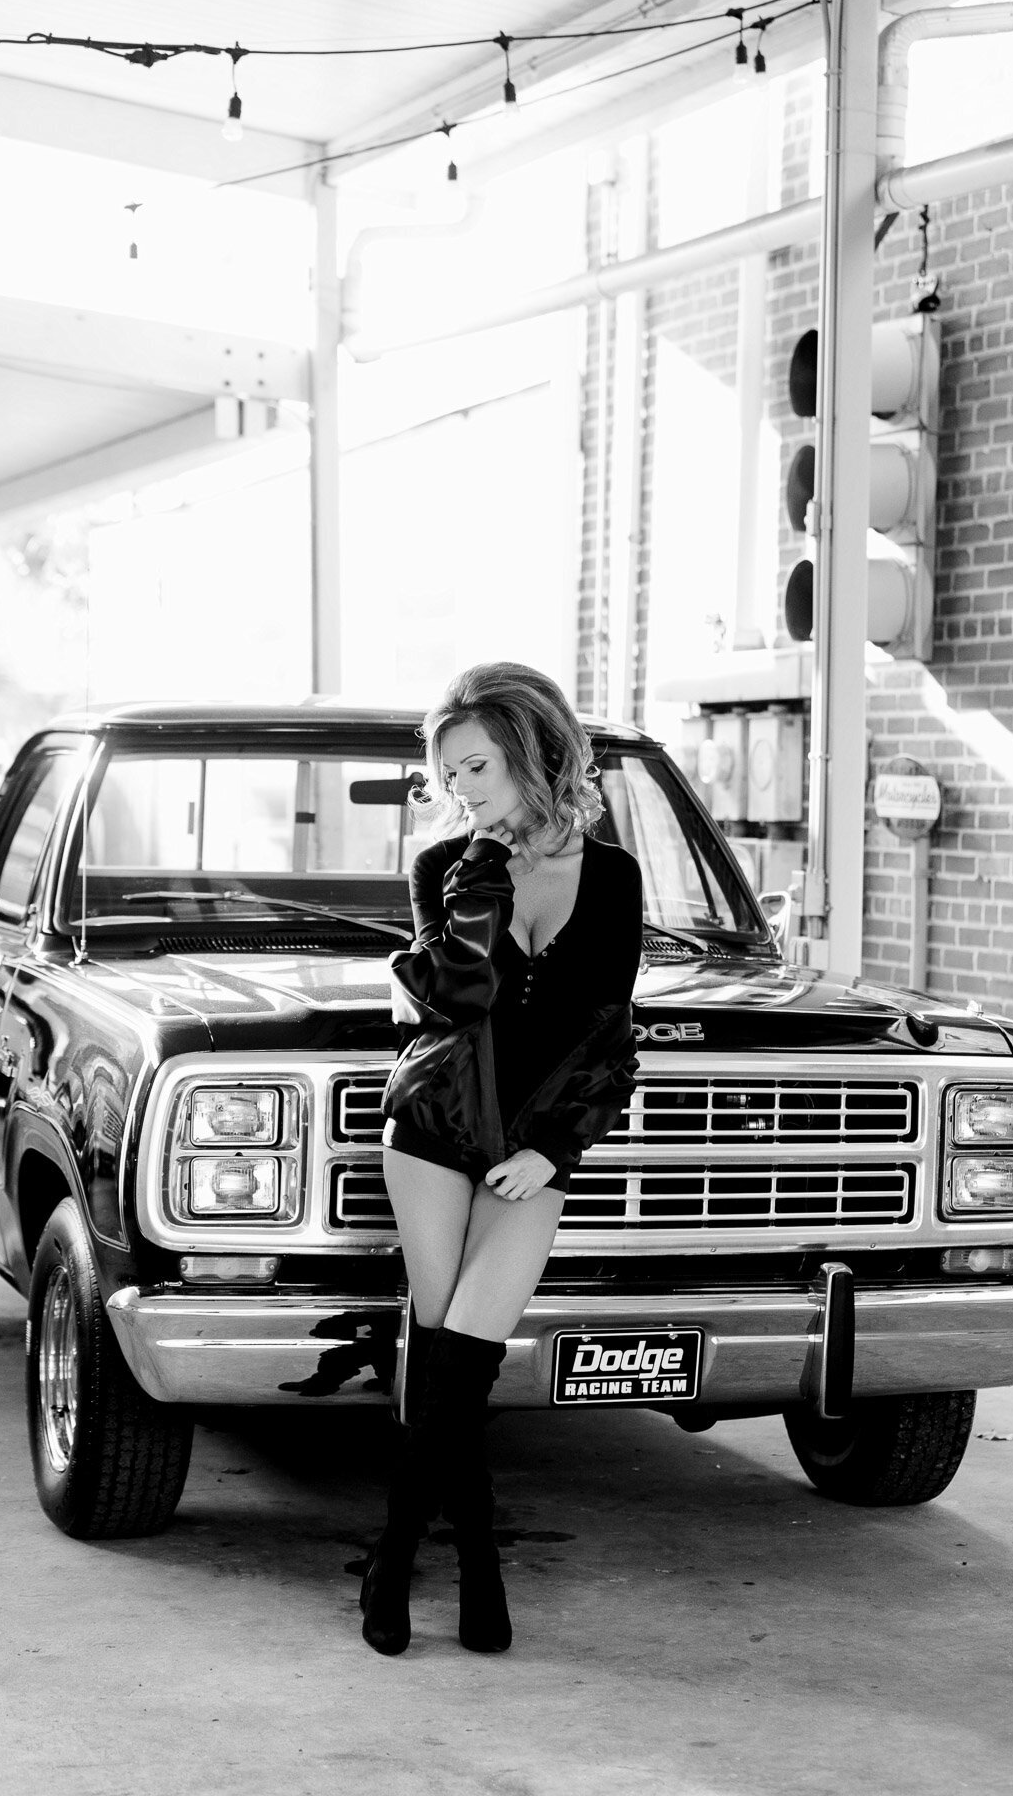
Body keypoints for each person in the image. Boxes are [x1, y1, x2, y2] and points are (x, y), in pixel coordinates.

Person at [361, 661, 643, 1656]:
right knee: (443, 1353)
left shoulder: (612, 876)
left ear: (530, 752)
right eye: (448, 775)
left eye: (475, 767)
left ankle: (422, 1561)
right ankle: (441, 1572)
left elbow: (606, 1037)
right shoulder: (446, 863)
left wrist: (554, 1146)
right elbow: (453, 1004)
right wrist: (472, 892)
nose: (461, 789)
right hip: (434, 1129)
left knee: (460, 1361)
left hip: (531, 1149)